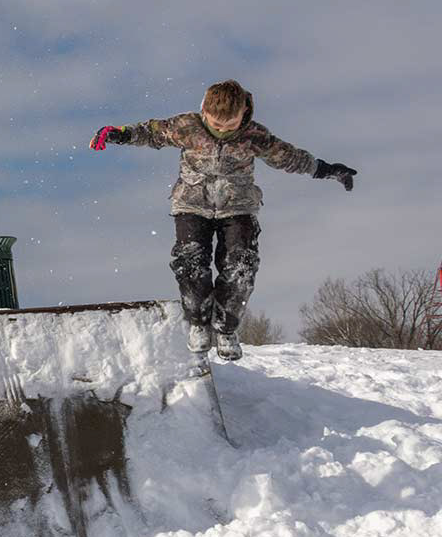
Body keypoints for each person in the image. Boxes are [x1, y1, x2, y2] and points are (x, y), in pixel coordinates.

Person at [90, 79, 356, 360]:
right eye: (215, 125)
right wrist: (119, 134)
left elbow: (288, 157)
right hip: (191, 205)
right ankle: (199, 323)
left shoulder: (254, 136)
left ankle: (226, 328)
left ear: (244, 114)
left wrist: (326, 170)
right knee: (190, 262)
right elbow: (152, 132)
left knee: (241, 266)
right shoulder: (187, 127)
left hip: (238, 208)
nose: (221, 131)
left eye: (229, 127)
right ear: (204, 111)